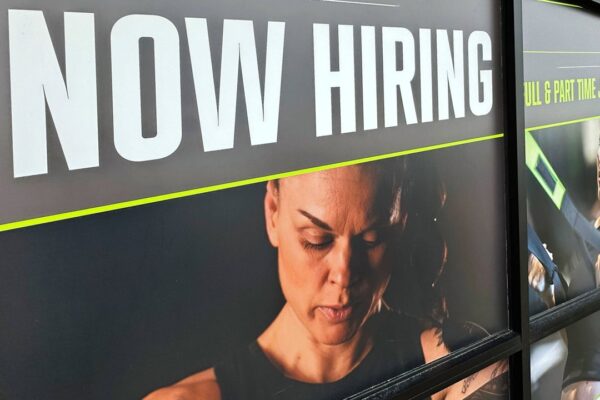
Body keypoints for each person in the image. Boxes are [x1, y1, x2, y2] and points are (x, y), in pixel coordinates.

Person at [144, 161, 506, 400]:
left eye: (371, 239)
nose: (344, 275)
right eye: (316, 241)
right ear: (273, 213)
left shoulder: (445, 364)